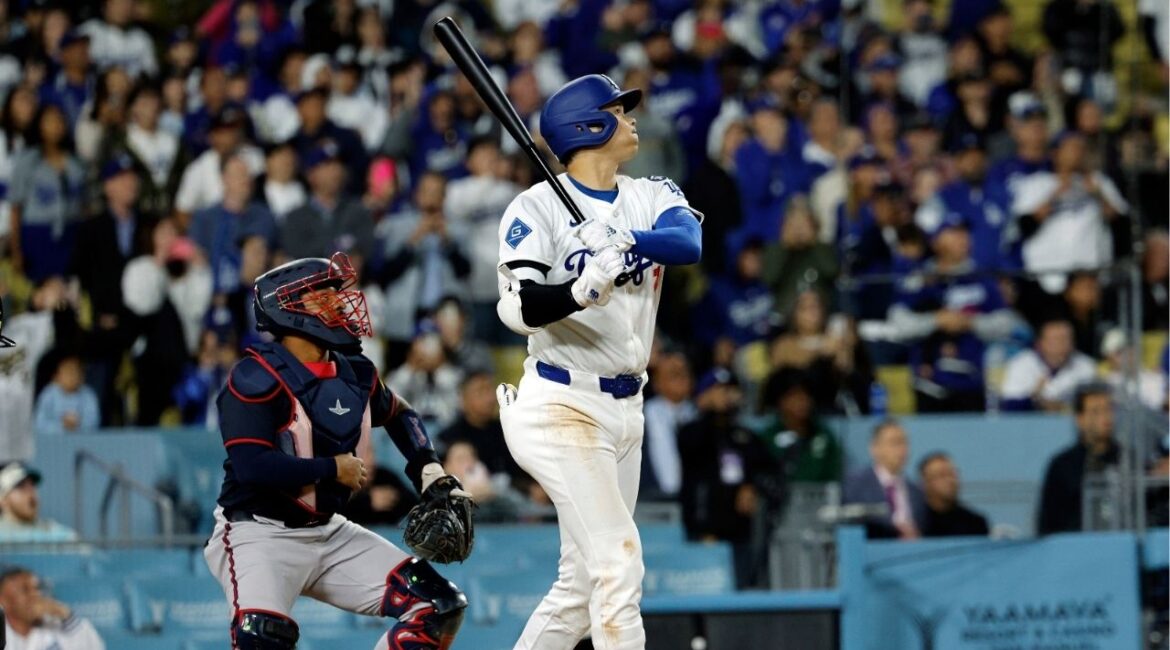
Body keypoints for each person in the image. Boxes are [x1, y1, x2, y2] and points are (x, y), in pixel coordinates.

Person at [494, 74, 702, 649]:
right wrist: (580, 288)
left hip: (625, 406)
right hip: (562, 402)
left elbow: (688, 243)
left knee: (582, 587)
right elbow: (518, 307)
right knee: (618, 563)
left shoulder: (650, 192)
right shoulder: (535, 206)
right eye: (617, 109)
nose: (631, 117)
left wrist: (626, 240)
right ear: (587, 127)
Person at [201, 252, 472, 650]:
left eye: (336, 293)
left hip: (327, 531)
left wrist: (429, 473)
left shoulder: (356, 370)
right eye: (322, 295)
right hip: (257, 532)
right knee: (263, 636)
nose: (340, 302)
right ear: (288, 310)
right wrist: (331, 469)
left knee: (439, 605)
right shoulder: (254, 376)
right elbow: (251, 466)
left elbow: (400, 413)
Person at [678, 368, 780, 589]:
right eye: (718, 390)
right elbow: (693, 451)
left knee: (743, 586)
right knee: (704, 588)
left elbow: (770, 470)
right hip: (704, 527)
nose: (724, 396)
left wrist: (752, 486)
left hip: (741, 530)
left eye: (729, 390)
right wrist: (707, 410)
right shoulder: (691, 431)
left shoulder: (745, 436)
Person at [1037, 383, 1119, 534]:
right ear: (1080, 419)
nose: (1105, 417)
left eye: (1108, 409)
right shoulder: (1062, 466)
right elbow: (1048, 523)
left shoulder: (1127, 460)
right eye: (1095, 411)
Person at [842, 419, 926, 540]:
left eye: (904, 442)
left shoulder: (916, 492)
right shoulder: (855, 486)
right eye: (894, 442)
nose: (902, 449)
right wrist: (895, 532)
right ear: (874, 448)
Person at [758, 369, 842, 483]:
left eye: (806, 395)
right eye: (794, 395)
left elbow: (834, 477)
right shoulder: (767, 439)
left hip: (821, 499)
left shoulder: (824, 435)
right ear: (780, 401)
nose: (803, 401)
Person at [1000, 319, 1097, 412]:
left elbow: (1098, 405)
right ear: (1040, 343)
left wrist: (1064, 407)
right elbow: (1008, 407)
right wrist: (1034, 400)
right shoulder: (1021, 364)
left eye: (1066, 338)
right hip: (1030, 425)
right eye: (1056, 339)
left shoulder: (1086, 366)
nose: (1062, 344)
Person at [0, 566, 104, 650]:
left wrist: (65, 614)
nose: (34, 594)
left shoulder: (56, 624)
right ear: (3, 600)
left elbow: (94, 646)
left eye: (36, 588)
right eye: (24, 590)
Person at [640, 351, 696, 501]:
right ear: (656, 382)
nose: (681, 378)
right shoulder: (640, 417)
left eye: (684, 373)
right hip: (648, 505)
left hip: (690, 505)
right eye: (674, 374)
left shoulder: (699, 416)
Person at [0, 462, 77, 542]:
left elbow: (82, 551)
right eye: (20, 486)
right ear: (2, 500)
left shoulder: (57, 534)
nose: (30, 492)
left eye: (32, 485)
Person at [917, 452, 990, 537]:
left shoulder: (975, 523)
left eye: (952, 474)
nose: (949, 480)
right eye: (942, 475)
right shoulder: (916, 523)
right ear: (925, 483)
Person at [32, 354, 99, 434]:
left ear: (82, 376)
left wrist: (77, 425)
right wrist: (62, 426)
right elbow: (38, 424)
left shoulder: (88, 395)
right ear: (57, 376)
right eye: (67, 372)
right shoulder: (48, 394)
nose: (71, 377)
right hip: (52, 442)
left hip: (81, 442)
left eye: (75, 372)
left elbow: (94, 423)